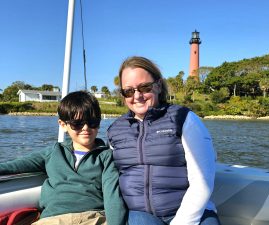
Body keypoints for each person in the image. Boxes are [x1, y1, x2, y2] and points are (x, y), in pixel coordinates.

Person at [107, 56, 221, 225]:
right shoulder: (115, 130)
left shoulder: (184, 119)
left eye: (144, 87)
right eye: (128, 91)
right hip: (140, 216)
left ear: (158, 86)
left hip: (193, 213)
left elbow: (202, 180)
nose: (137, 96)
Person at [0, 91, 127, 225]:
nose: (86, 128)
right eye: (77, 123)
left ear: (99, 123)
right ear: (63, 125)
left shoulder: (106, 157)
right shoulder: (54, 152)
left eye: (92, 122)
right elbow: (17, 165)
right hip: (53, 219)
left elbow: (112, 196)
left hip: (93, 217)